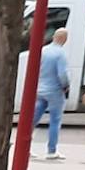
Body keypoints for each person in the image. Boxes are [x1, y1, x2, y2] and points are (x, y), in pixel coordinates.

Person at [31, 27, 71, 161]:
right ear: (64, 39)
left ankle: (27, 148)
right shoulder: (60, 54)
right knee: (55, 120)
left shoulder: (43, 50)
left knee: (33, 120)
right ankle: (51, 150)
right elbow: (63, 74)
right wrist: (66, 86)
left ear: (54, 37)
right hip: (55, 91)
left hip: (40, 89)